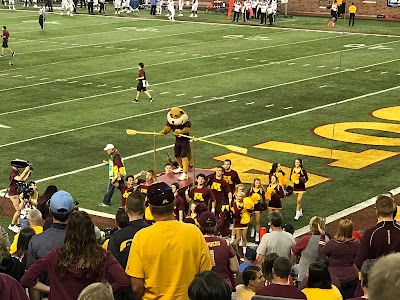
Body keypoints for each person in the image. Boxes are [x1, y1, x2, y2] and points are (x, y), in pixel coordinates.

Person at [126, 182, 212, 299]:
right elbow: (206, 274)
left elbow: (136, 287)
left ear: (150, 209)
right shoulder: (194, 232)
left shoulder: (141, 237)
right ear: (174, 204)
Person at [21, 211, 130, 300]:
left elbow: (26, 279)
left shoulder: (56, 255)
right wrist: (99, 294)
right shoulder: (103, 256)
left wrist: (53, 289)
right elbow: (123, 281)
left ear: (68, 232)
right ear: (92, 232)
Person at [27, 191, 74, 268]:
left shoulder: (36, 241)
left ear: (50, 210)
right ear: (72, 211)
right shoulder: (82, 240)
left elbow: (31, 274)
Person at [355, 194, 400, 269]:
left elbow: (359, 262)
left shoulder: (370, 234)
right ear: (394, 209)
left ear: (376, 211)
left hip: (376, 277)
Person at [319, 218, 360, 299]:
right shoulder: (357, 243)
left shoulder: (332, 244)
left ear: (339, 229)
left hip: (335, 279)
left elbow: (320, 253)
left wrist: (322, 236)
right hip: (352, 277)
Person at [198, 211, 239, 289]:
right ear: (216, 225)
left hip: (202, 286)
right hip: (222, 286)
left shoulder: (195, 243)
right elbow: (235, 268)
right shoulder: (225, 243)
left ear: (199, 226)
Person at [107, 191, 149, 263]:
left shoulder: (117, 237)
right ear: (144, 209)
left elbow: (111, 267)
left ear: (126, 209)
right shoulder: (153, 233)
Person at [291, 216, 328, 285]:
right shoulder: (327, 239)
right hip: (321, 276)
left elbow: (293, 252)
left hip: (305, 276)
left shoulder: (306, 239)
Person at [7, 163, 31, 233]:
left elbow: (22, 180)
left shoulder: (17, 172)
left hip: (17, 192)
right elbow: (19, 178)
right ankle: (12, 225)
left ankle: (18, 224)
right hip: (13, 194)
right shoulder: (13, 173)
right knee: (18, 211)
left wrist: (28, 175)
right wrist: (26, 170)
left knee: (20, 208)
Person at [246, 178, 266, 242]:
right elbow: (246, 198)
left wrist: (259, 201)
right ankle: (252, 229)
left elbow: (264, 200)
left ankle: (257, 235)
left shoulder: (261, 191)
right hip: (251, 208)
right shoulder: (250, 190)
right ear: (254, 183)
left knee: (257, 221)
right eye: (256, 183)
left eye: (258, 183)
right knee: (251, 221)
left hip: (258, 208)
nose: (257, 184)